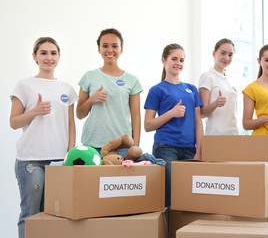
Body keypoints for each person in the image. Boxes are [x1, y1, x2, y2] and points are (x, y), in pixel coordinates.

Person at [10, 37, 77, 238]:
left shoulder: (67, 89)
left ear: (59, 57)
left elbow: (71, 124)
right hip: (31, 161)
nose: (49, 57)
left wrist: (70, 155)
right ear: (35, 57)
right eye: (44, 53)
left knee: (56, 215)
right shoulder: (24, 85)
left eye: (53, 53)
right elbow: (14, 123)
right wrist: (35, 111)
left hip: (59, 161)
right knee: (31, 214)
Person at [144, 43, 203, 207]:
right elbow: (148, 125)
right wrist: (171, 113)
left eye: (182, 60)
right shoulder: (156, 90)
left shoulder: (191, 89)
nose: (178, 63)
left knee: (189, 197)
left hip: (190, 150)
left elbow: (198, 122)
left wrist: (199, 150)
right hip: (166, 148)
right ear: (164, 60)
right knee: (168, 198)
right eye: (174, 59)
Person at [76, 28, 142, 156]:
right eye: (105, 46)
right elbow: (79, 114)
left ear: (121, 49)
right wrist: (91, 99)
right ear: (99, 49)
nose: (110, 50)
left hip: (122, 146)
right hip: (92, 145)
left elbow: (136, 116)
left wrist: (135, 147)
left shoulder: (132, 80)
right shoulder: (89, 77)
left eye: (114, 46)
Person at [198, 38, 239, 135]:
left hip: (234, 134)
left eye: (230, 55)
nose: (227, 58)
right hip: (216, 135)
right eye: (223, 53)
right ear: (214, 53)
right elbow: (202, 113)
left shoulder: (229, 81)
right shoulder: (207, 76)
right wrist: (215, 103)